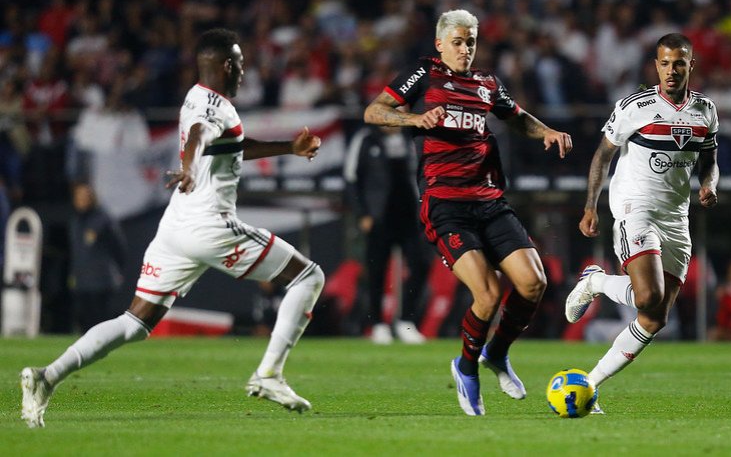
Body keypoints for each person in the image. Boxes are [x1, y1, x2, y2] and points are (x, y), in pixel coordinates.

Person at [20, 28, 324, 428]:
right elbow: (199, 138)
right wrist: (188, 166)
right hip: (209, 225)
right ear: (228, 66)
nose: (245, 72)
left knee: (134, 322)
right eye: (242, 64)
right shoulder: (213, 108)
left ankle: (46, 378)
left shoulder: (197, 97)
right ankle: (269, 373)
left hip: (174, 228)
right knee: (308, 275)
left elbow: (228, 143)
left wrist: (288, 147)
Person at [364, 9, 572, 416]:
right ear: (441, 44)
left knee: (533, 283)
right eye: (458, 42)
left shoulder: (487, 83)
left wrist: (545, 131)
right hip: (446, 204)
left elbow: (517, 118)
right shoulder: (423, 73)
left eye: (471, 42)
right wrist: (414, 118)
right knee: (489, 293)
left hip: (490, 201)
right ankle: (466, 368)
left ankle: (496, 354)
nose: (465, 49)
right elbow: (374, 111)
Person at [565, 33, 719, 414]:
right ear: (656, 65)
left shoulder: (706, 110)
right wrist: (591, 206)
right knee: (648, 296)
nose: (671, 70)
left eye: (679, 63)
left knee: (655, 318)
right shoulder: (636, 106)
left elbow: (709, 159)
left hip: (676, 217)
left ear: (690, 65)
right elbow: (602, 155)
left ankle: (589, 384)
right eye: (665, 63)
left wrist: (710, 183)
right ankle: (596, 281)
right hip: (636, 207)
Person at [344, 124, 430, 345]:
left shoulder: (412, 138)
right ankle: (377, 324)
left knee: (420, 264)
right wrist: (362, 213)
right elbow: (352, 178)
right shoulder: (365, 138)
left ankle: (406, 321)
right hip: (378, 217)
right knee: (376, 271)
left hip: (410, 215)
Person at [68, 182, 126, 332]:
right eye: (78, 197)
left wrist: (118, 270)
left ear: (92, 198)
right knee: (84, 322)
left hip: (101, 281)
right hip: (81, 281)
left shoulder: (102, 218)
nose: (81, 200)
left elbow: (119, 247)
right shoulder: (76, 220)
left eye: (84, 197)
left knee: (100, 322)